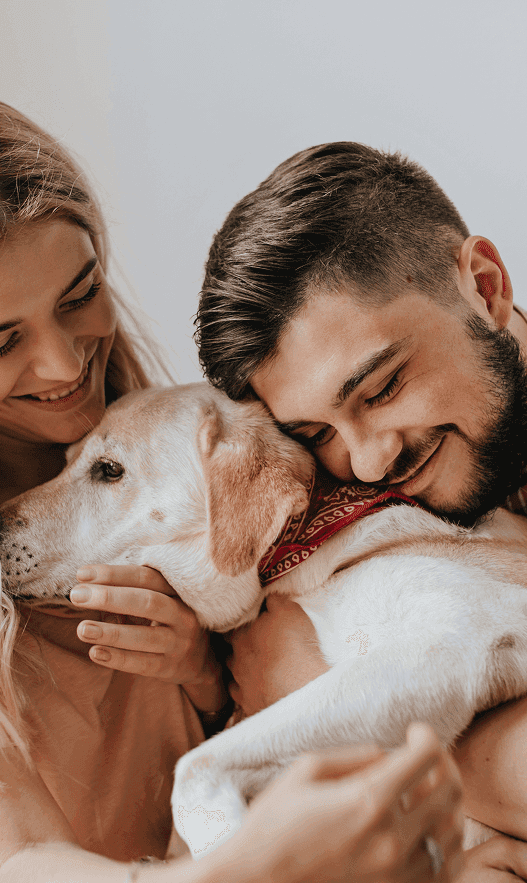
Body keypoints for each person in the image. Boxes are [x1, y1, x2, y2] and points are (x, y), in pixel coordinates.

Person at [0, 89, 463, 883]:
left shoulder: (186, 445)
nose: (68, 364)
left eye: (79, 297)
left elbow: (248, 695)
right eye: (0, 342)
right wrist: (241, 869)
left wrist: (207, 675)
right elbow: (18, 860)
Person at [193, 141, 527, 880]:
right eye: (317, 432)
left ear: (485, 285)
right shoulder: (339, 504)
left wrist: (323, 698)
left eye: (379, 388)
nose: (371, 461)